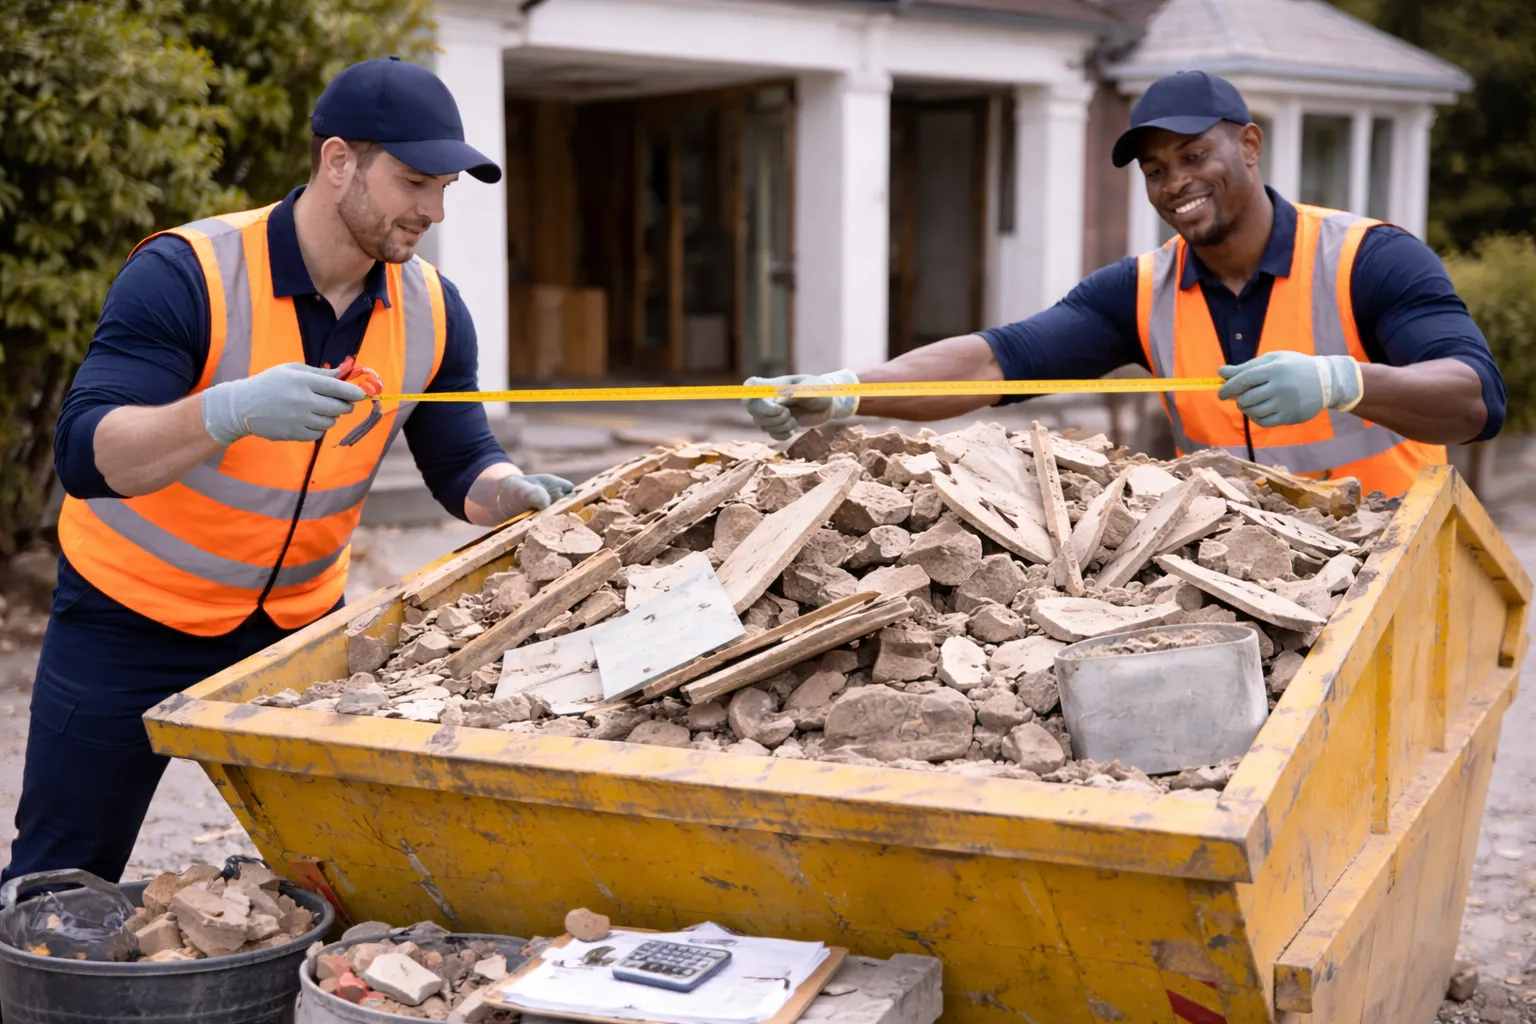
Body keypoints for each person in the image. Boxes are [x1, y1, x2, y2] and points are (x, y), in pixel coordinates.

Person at [3, 57, 571, 884]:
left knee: (325, 878)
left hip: (296, 633)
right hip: (126, 619)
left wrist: (508, 492)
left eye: (445, 187)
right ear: (338, 161)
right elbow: (86, 454)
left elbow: (460, 462)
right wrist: (223, 411)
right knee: (60, 876)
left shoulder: (435, 309)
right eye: (415, 181)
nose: (433, 211)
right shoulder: (186, 273)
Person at [743, 71, 1504, 499]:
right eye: (1155, 169)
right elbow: (993, 361)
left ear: (1248, 144)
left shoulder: (1369, 258)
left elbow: (1475, 399)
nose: (1175, 184)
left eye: (1193, 155)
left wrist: (1345, 380)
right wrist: (845, 388)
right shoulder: (1142, 290)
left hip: (1384, 556)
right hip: (1246, 565)